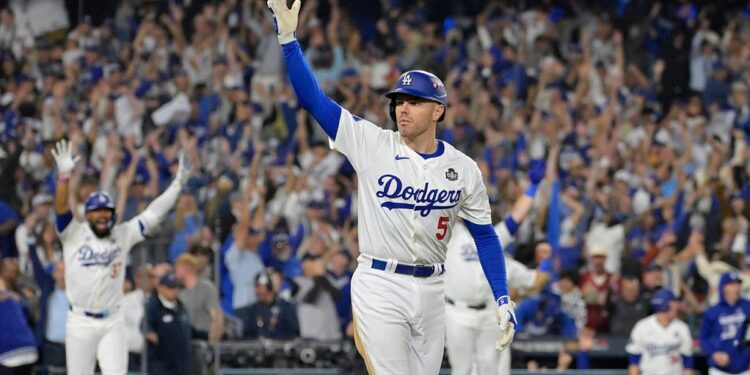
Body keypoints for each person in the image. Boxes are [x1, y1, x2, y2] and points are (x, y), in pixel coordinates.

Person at [267, 1, 516, 373]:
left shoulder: (463, 169)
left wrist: (502, 297)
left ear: (438, 111)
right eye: (399, 101)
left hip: (434, 289)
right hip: (380, 284)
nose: (402, 108)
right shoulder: (372, 144)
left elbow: (485, 236)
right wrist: (289, 40)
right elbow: (313, 101)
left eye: (414, 102)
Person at [51, 139, 190, 375]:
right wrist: (64, 177)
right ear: (88, 215)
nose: (102, 217)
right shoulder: (73, 234)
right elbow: (62, 207)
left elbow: (153, 214)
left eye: (107, 212)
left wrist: (176, 186)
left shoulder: (122, 234)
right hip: (80, 320)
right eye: (97, 213)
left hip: (112, 320)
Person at [444, 159, 549, 375]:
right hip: (457, 311)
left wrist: (533, 187)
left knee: (490, 369)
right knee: (461, 370)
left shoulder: (492, 234)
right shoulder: (451, 234)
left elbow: (517, 217)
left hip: (488, 313)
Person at [626, 289, 694, 375]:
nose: (677, 306)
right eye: (674, 302)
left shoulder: (682, 328)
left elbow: (688, 363)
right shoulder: (642, 327)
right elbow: (634, 361)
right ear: (664, 305)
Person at [700, 272, 750, 375]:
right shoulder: (713, 311)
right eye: (732, 284)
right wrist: (714, 353)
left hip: (745, 368)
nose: (736, 287)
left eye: (738, 284)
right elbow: (703, 337)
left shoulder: (747, 306)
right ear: (723, 288)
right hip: (719, 370)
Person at [145, 272, 191, 375]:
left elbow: (187, 328)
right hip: (161, 364)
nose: (174, 291)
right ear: (160, 288)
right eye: (170, 287)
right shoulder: (153, 307)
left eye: (176, 287)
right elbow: (145, 324)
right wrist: (149, 332)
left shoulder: (180, 307)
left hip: (182, 363)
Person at [174, 253, 224, 342]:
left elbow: (216, 317)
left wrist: (212, 342)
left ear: (187, 268)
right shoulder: (180, 292)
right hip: (187, 339)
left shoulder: (206, 287)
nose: (175, 271)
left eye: (178, 267)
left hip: (204, 338)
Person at [237, 271, 299, 340]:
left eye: (259, 287)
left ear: (269, 287)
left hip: (280, 349)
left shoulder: (286, 307)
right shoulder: (252, 310)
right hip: (256, 349)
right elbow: (246, 335)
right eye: (255, 287)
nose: (256, 291)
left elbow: (294, 334)